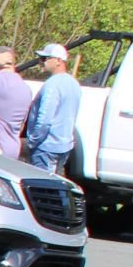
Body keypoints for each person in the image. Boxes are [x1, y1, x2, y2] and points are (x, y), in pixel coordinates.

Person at [21, 42, 82, 172]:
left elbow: (45, 119)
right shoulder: (74, 83)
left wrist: (32, 142)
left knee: (41, 186)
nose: (41, 62)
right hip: (64, 146)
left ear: (58, 61)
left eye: (45, 59)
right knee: (54, 184)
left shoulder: (52, 85)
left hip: (46, 147)